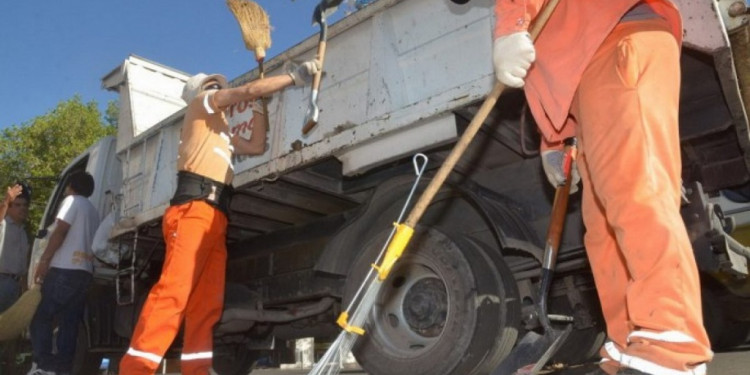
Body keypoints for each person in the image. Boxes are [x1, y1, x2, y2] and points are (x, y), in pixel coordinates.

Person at [490, 0, 713, 374]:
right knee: (601, 229)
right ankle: (631, 344)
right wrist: (556, 140)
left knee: (635, 194)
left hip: (618, 40)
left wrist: (511, 24)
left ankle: (671, 340)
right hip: (590, 69)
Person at [119, 58, 321, 375]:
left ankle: (197, 369)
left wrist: (258, 107)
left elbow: (256, 145)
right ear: (200, 92)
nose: (219, 88)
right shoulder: (201, 105)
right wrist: (292, 78)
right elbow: (247, 89)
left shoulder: (222, 132)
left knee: (207, 303)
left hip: (215, 216)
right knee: (174, 293)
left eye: (219, 85)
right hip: (192, 210)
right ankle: (136, 368)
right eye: (213, 85)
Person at [28, 171, 99, 375]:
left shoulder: (71, 201)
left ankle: (44, 365)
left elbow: (60, 231)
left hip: (64, 270)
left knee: (41, 317)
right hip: (84, 273)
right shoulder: (93, 211)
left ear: (71, 186)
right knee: (69, 323)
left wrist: (44, 260)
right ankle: (63, 369)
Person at [0, 183, 31, 313]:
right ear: (9, 208)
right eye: (17, 205)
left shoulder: (23, 232)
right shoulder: (3, 225)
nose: (22, 208)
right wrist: (7, 200)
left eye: (25, 205)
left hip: (16, 285)